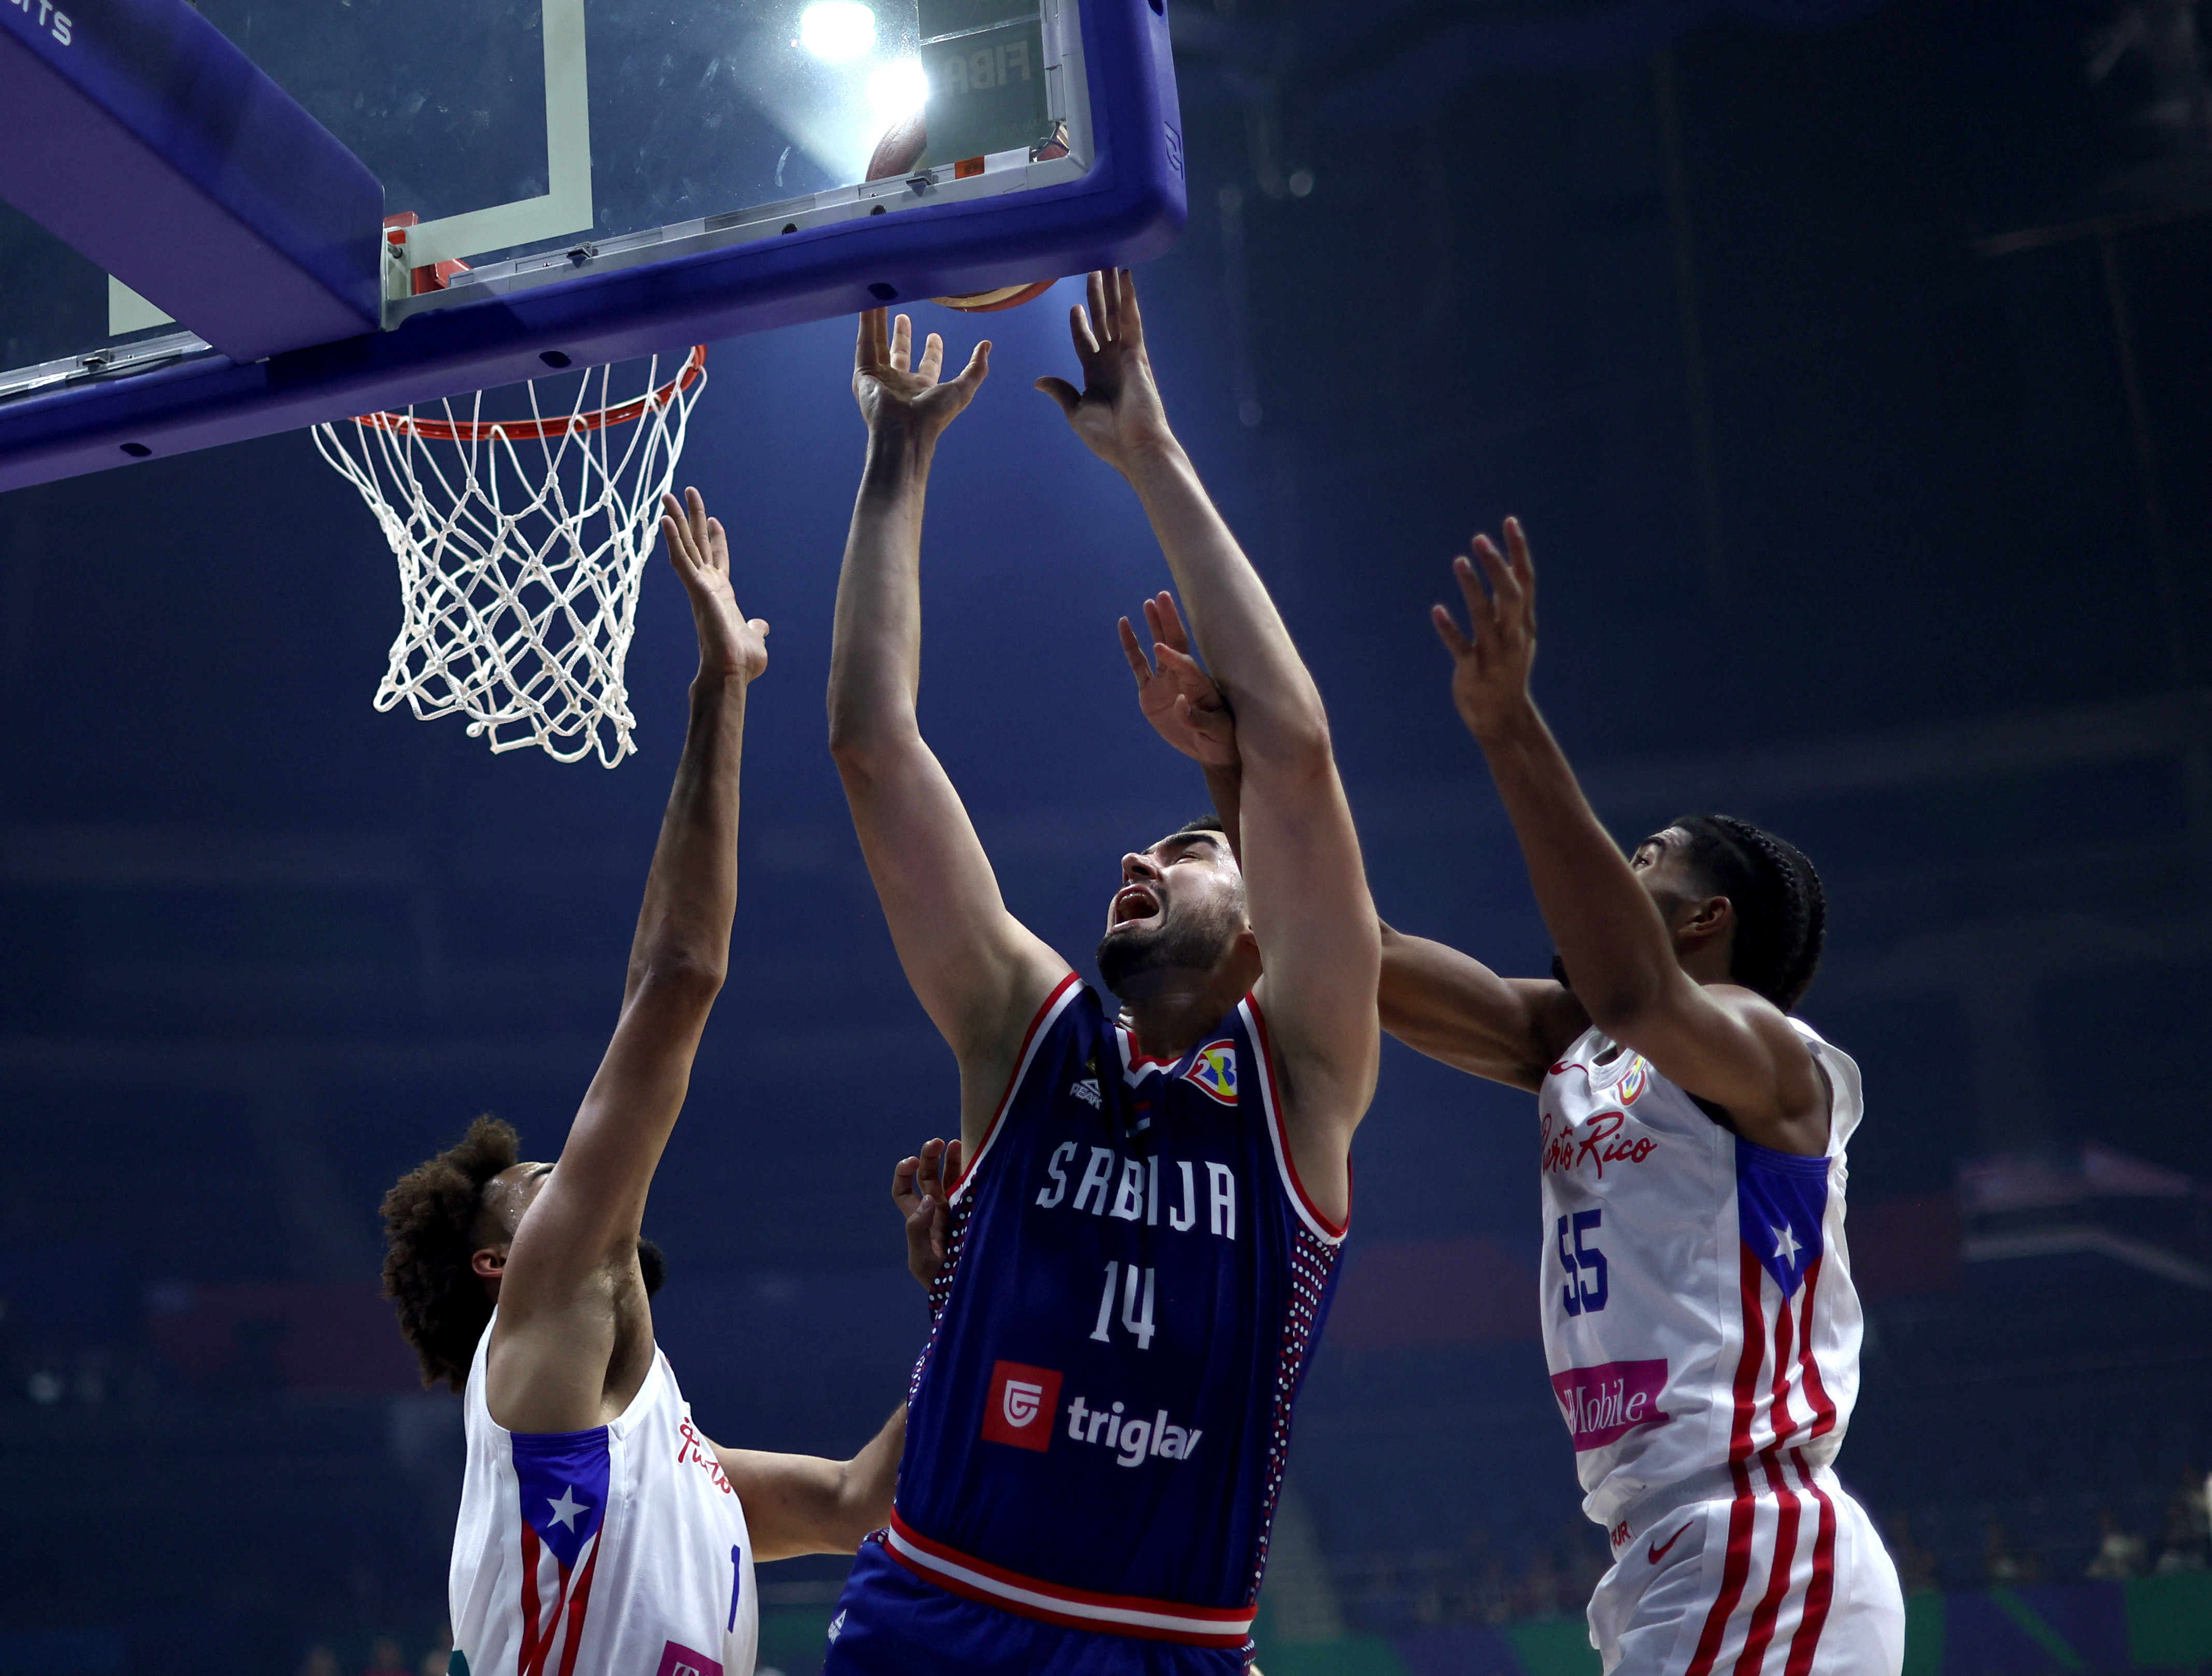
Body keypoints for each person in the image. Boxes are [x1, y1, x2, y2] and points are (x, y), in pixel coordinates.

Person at [1123, 523, 1904, 1676]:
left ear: (1706, 919)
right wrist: (1228, 764)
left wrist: (1504, 724)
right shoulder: (1574, 1046)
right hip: (1663, 1549)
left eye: (1648, 857)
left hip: (1756, 1534)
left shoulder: (1770, 1055)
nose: (1624, 871)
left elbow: (1636, 988)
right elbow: (1354, 953)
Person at [820, 270, 1381, 1673]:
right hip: (937, 1609)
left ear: (1257, 937)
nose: (1142, 852)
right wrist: (894, 456)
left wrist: (1151, 453)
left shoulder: (1301, 1075)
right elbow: (871, 746)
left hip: (1163, 1642)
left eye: (1189, 845)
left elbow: (1296, 754)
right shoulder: (1024, 1023)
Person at [379, 491, 903, 1676]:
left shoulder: (673, 1448)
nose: (562, 1171)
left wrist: (983, 1285)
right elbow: (678, 977)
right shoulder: (544, 1323)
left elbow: (857, 1499)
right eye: (528, 1186)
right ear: (498, 1263)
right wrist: (721, 684)